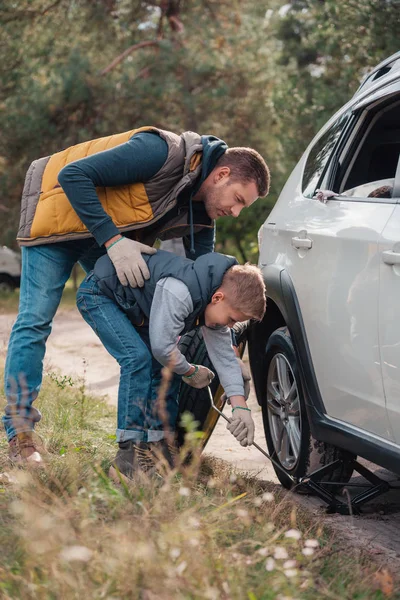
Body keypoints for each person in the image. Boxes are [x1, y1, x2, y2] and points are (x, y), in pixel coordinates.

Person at [3, 126, 270, 464]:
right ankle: (21, 434)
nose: (236, 212)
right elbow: (72, 175)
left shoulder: (203, 215)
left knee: (149, 331)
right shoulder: (160, 151)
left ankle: (155, 443)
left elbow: (206, 291)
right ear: (222, 174)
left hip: (105, 236)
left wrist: (226, 347)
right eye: (238, 200)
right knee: (36, 320)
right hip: (56, 221)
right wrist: (113, 242)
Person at [75, 249, 266, 481]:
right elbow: (162, 348)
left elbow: (225, 357)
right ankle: (128, 456)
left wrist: (240, 406)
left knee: (164, 368)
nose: (231, 325)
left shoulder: (213, 300)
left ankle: (159, 448)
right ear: (218, 298)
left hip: (138, 307)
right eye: (233, 319)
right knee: (138, 359)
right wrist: (190, 371)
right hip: (100, 295)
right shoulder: (180, 292)